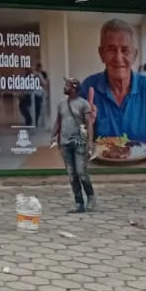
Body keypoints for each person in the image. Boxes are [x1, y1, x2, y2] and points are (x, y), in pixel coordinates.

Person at [74, 18, 146, 167]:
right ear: (101, 53)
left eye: (125, 50)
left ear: (134, 55)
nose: (118, 58)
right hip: (102, 171)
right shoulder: (89, 87)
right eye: (111, 49)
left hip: (143, 170)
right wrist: (86, 125)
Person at [49, 78, 97, 212]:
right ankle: (79, 203)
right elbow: (58, 121)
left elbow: (89, 125)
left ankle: (91, 196)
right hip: (65, 143)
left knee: (81, 172)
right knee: (72, 175)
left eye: (67, 85)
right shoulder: (61, 104)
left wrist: (90, 142)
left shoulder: (84, 104)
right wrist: (53, 135)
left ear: (74, 88)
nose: (65, 87)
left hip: (79, 143)